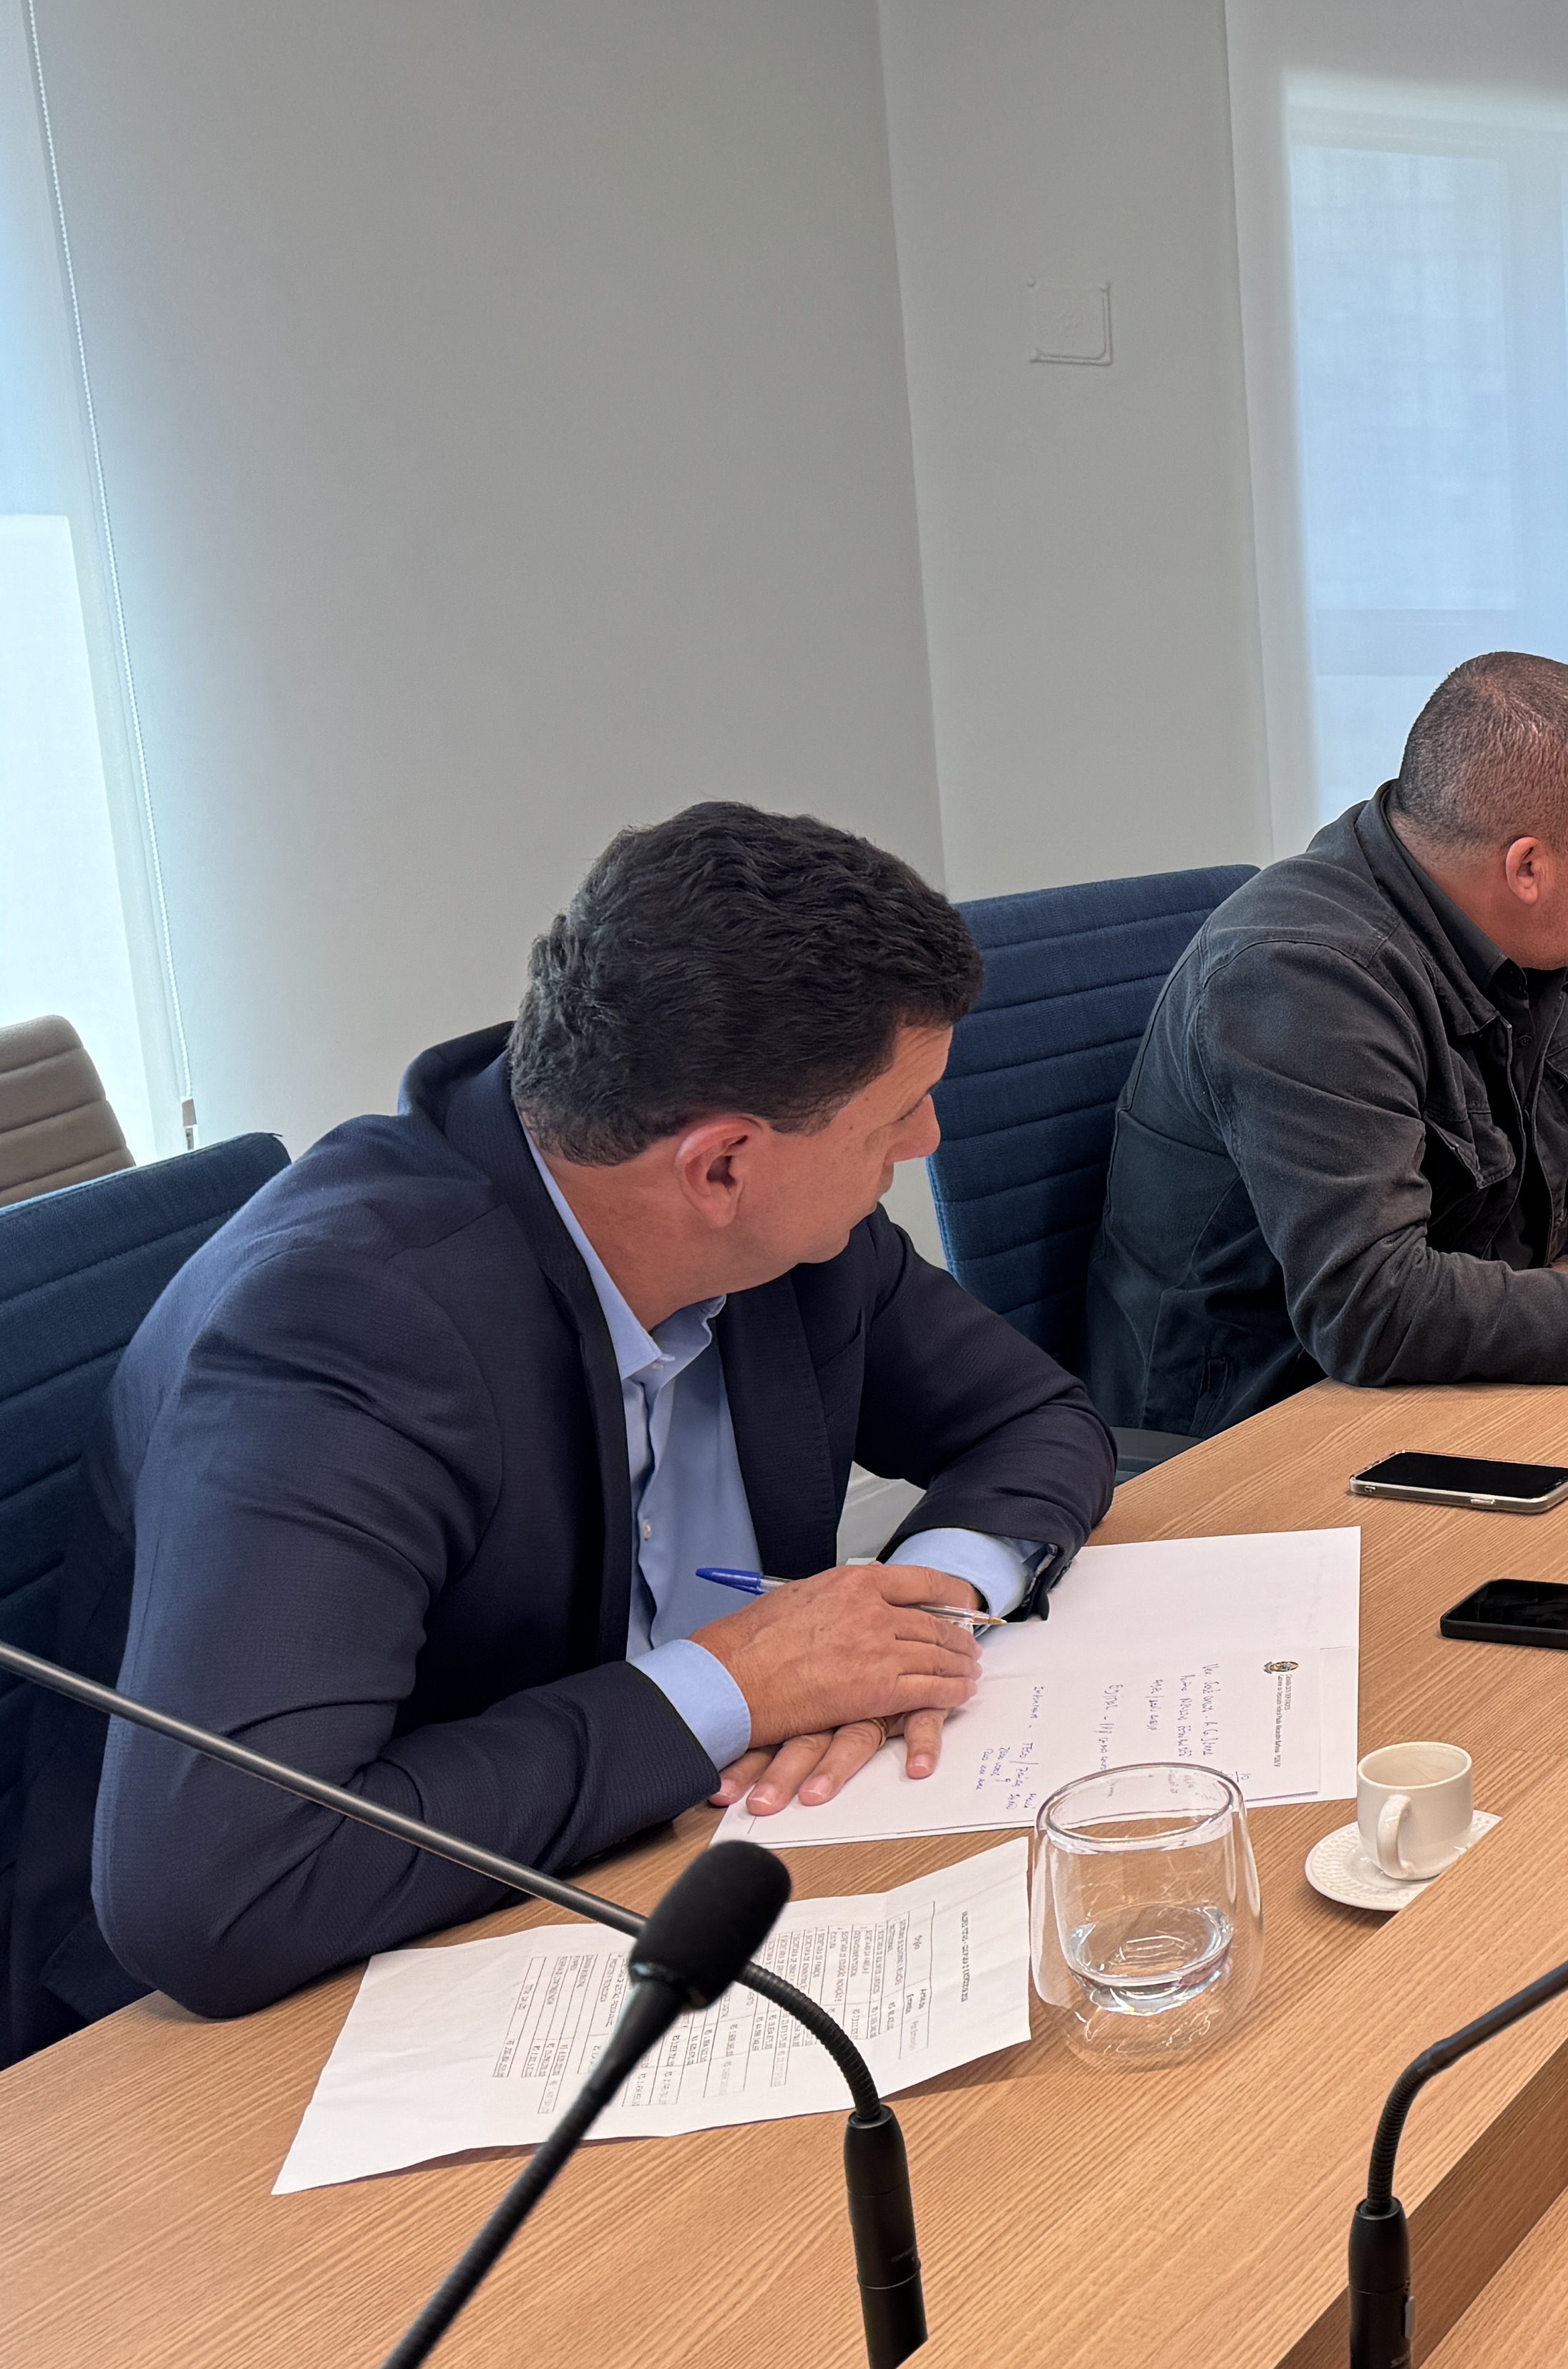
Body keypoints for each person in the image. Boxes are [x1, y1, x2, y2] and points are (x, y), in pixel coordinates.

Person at [23, 806, 1117, 2045]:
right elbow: (220, 1889)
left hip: (696, 1855)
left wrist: (926, 1611)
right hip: (314, 2002)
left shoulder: (783, 1234)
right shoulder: (344, 1332)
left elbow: (1033, 1416)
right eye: (896, 1116)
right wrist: (733, 1684)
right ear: (720, 1166)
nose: (927, 1141)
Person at [1090, 652, 1568, 1436]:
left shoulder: (1546, 926)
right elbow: (1373, 1307)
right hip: (1260, 1428)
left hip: (1443, 1383)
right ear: (1528, 867)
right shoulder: (1301, 976)